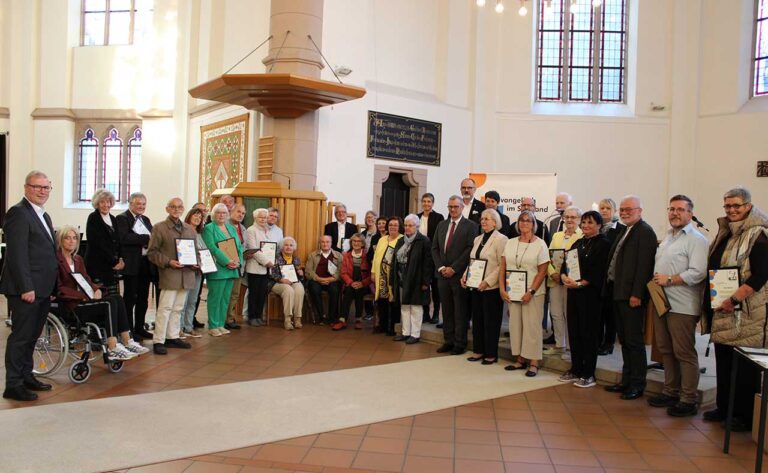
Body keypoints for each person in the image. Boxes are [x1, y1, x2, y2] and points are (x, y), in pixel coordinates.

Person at [702, 187, 768, 431]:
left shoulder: (759, 234)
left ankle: (743, 416)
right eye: (727, 206)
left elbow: (761, 274)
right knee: (724, 361)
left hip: (746, 312)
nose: (731, 210)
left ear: (748, 206)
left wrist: (735, 298)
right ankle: (724, 408)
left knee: (744, 368)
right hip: (723, 307)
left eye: (736, 206)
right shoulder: (727, 232)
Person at [646, 195, 707, 417]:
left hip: (683, 305)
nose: (674, 213)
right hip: (662, 302)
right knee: (665, 350)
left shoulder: (696, 239)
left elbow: (698, 272)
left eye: (680, 209)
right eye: (671, 209)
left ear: (690, 213)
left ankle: (688, 399)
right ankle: (670, 391)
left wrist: (670, 279)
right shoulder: (669, 237)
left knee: (684, 352)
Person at [1, 171, 58, 401]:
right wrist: (26, 287)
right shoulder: (18, 213)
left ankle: (26, 376)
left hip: (42, 288)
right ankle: (13, 384)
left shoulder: (43, 215)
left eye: (46, 187)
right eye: (37, 187)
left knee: (33, 336)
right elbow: (17, 255)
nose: (42, 191)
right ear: (26, 188)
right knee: (21, 337)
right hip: (26, 289)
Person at [55, 226, 149, 360]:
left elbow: (86, 280)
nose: (71, 241)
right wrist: (84, 296)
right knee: (109, 303)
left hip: (85, 300)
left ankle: (127, 341)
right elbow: (59, 287)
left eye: (74, 238)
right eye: (67, 238)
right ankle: (112, 346)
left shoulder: (78, 260)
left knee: (116, 297)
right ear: (60, 240)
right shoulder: (55, 260)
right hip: (71, 304)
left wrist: (96, 289)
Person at [603, 195, 657, 400]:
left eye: (629, 209)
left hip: (631, 296)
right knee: (624, 340)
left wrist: (637, 294)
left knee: (634, 341)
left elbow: (644, 267)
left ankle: (637, 383)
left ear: (640, 210)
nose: (625, 212)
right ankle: (626, 380)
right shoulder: (626, 230)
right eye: (623, 210)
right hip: (618, 293)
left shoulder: (645, 232)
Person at [559, 211, 610, 388]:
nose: (586, 225)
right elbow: (565, 264)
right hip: (573, 293)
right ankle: (576, 368)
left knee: (589, 334)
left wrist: (581, 284)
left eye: (590, 222)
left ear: (599, 225)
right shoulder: (578, 242)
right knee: (574, 331)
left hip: (591, 296)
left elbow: (599, 270)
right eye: (584, 222)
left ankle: (588, 373)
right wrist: (564, 276)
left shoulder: (604, 244)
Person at [500, 211, 549, 377]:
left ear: (534, 224)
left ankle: (534, 362)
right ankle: (520, 359)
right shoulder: (510, 242)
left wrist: (531, 291)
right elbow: (503, 267)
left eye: (528, 221)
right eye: (522, 220)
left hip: (533, 293)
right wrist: (502, 288)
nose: (524, 223)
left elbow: (542, 272)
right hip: (513, 291)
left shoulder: (540, 244)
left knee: (532, 327)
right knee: (516, 326)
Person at [146, 198, 196, 355]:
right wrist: (168, 262)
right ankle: (159, 340)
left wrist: (197, 262)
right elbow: (152, 253)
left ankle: (172, 337)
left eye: (179, 207)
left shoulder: (189, 229)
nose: (176, 209)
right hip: (170, 273)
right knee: (165, 308)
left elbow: (195, 251)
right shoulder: (159, 228)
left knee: (178, 308)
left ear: (183, 209)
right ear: (167, 209)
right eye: (173, 207)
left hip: (186, 274)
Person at [431, 196, 478, 355]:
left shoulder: (471, 226)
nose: (452, 209)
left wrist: (454, 268)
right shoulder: (441, 225)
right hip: (443, 275)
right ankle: (448, 341)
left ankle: (460, 343)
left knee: (460, 311)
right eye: (450, 206)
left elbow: (469, 249)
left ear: (462, 207)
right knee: (447, 310)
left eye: (455, 207)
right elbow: (435, 248)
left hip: (459, 276)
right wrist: (441, 267)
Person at [462, 209, 508, 363]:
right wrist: (465, 276)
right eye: (482, 219)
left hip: (491, 288)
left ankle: (490, 354)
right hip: (475, 286)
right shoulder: (478, 239)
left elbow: (502, 265)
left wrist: (487, 281)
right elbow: (473, 261)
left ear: (495, 222)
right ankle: (478, 350)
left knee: (491, 322)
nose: (483, 221)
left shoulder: (501, 239)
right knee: (478, 320)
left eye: (487, 219)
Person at [116, 192, 155, 341]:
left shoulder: (145, 219)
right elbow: (124, 238)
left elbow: (153, 236)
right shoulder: (122, 218)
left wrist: (149, 239)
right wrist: (146, 239)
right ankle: (128, 330)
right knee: (130, 297)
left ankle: (139, 327)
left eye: (144, 204)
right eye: (138, 204)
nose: (141, 207)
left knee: (143, 298)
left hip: (145, 263)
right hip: (132, 264)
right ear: (131, 204)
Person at [545, 206, 583, 358]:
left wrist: (565, 276)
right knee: (555, 313)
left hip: (571, 281)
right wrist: (552, 272)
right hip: (555, 280)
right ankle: (559, 344)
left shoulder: (582, 236)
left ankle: (571, 347)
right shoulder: (556, 236)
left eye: (573, 217)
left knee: (570, 314)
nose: (569, 220)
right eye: (567, 217)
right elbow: (547, 256)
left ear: (579, 220)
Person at [202, 203, 243, 337]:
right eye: (218, 212)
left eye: (224, 213)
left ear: (227, 215)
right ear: (213, 214)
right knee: (215, 298)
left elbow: (239, 247)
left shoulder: (231, 228)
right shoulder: (209, 228)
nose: (221, 215)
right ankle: (213, 325)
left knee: (225, 299)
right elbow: (212, 248)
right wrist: (227, 261)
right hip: (218, 269)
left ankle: (220, 324)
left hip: (232, 269)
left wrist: (238, 262)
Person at [391, 215, 434, 344]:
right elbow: (395, 260)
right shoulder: (401, 241)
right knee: (404, 306)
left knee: (415, 307)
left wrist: (426, 282)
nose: (407, 228)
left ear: (417, 226)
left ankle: (415, 334)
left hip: (417, 279)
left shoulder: (424, 241)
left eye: (410, 225)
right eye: (406, 225)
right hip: (401, 278)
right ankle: (405, 333)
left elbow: (428, 263)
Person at [84, 189, 125, 295]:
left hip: (111, 266)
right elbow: (96, 243)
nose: (106, 205)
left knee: (112, 296)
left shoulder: (113, 218)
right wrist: (113, 262)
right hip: (97, 265)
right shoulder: (93, 218)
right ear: (97, 204)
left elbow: (117, 241)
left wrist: (120, 259)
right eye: (102, 202)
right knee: (101, 295)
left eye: (108, 202)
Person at [598, 197, 624, 355]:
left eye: (608, 208)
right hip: (597, 277)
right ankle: (598, 341)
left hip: (612, 277)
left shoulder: (621, 229)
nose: (604, 211)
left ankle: (608, 343)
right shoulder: (596, 227)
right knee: (598, 313)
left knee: (610, 313)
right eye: (602, 208)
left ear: (614, 211)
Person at [372, 217, 404, 335]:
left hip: (394, 277)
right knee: (382, 301)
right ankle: (383, 325)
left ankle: (393, 327)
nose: (392, 227)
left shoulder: (402, 240)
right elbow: (376, 257)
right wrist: (373, 272)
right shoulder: (382, 239)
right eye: (390, 225)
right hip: (381, 276)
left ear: (400, 226)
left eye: (395, 225)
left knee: (394, 302)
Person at [179, 208, 207, 338]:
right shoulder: (183, 230)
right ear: (189, 216)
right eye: (195, 215)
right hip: (187, 270)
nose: (197, 218)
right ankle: (179, 328)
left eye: (200, 217)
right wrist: (190, 262)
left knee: (193, 300)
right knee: (183, 300)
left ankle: (188, 327)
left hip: (198, 271)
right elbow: (181, 249)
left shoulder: (199, 234)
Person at [245, 208, 275, 327]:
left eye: (265, 217)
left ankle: (258, 316)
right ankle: (252, 317)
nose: (263, 219)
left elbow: (270, 248)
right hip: (254, 267)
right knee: (254, 293)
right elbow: (253, 249)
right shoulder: (251, 230)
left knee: (261, 293)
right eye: (261, 217)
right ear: (255, 218)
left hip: (266, 268)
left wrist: (270, 261)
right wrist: (267, 261)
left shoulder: (266, 230)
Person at [418, 193, 444, 324]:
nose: (426, 204)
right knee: (424, 285)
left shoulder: (439, 217)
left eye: (429, 201)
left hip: (433, 256)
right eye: (424, 201)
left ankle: (435, 314)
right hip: (420, 256)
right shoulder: (417, 217)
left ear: (433, 203)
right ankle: (425, 313)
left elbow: (440, 237)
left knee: (435, 285)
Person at [268, 236, 305, 330]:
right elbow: (271, 273)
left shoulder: (296, 259)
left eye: (291, 245)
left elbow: (300, 277)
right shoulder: (275, 258)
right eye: (286, 245)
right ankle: (288, 320)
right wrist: (281, 279)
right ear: (282, 247)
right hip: (277, 283)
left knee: (300, 288)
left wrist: (301, 274)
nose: (288, 247)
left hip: (292, 282)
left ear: (294, 248)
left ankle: (297, 318)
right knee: (288, 290)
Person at [337, 233, 372, 330]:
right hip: (350, 283)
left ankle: (358, 319)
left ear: (362, 243)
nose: (356, 243)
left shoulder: (367, 256)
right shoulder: (346, 256)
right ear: (351, 242)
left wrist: (362, 283)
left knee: (359, 291)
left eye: (358, 241)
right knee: (349, 291)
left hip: (364, 285)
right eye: (354, 241)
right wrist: (351, 283)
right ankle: (342, 320)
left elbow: (371, 274)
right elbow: (343, 273)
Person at [305, 235, 342, 325]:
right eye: (323, 242)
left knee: (334, 290)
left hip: (332, 281)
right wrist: (319, 279)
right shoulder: (313, 255)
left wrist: (331, 279)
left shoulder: (338, 255)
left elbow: (341, 271)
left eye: (327, 242)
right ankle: (321, 316)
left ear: (331, 243)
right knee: (314, 288)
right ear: (320, 243)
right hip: (317, 280)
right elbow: (308, 271)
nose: (325, 244)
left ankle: (332, 317)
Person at [225, 203, 247, 329]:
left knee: (235, 294)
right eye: (238, 212)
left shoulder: (243, 228)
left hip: (239, 265)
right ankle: (221, 318)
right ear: (230, 211)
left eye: (243, 213)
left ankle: (230, 318)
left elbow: (243, 247)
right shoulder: (224, 226)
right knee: (225, 294)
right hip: (226, 265)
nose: (240, 215)